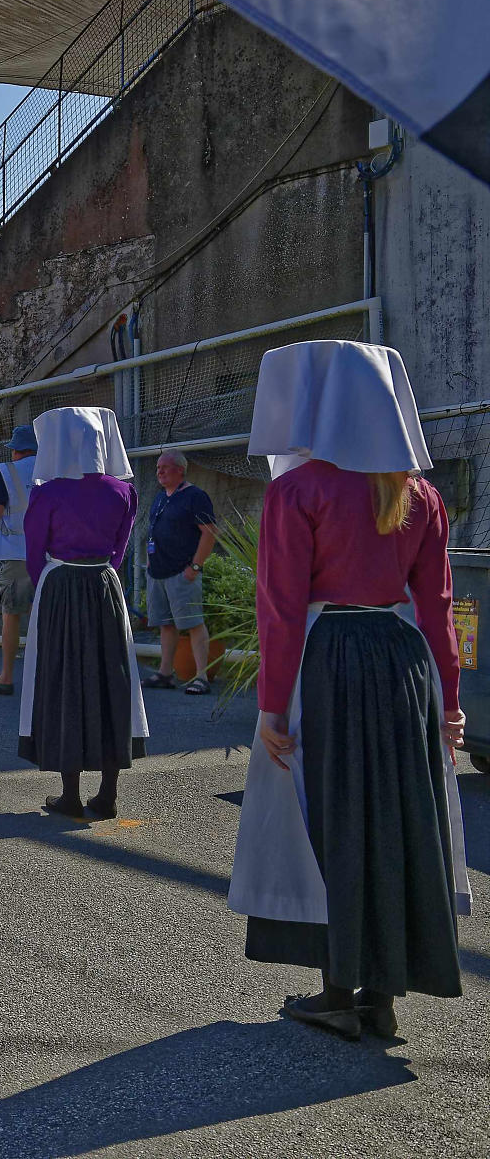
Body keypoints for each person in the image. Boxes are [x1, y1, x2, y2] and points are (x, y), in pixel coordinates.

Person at [231, 340, 470, 1041]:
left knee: (333, 811)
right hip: (403, 664)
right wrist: (449, 702)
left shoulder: (298, 491)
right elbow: (438, 605)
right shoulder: (421, 495)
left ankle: (337, 989)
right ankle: (383, 993)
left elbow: (279, 606)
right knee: (394, 816)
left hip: (328, 658)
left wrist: (272, 704)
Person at [18, 407, 148, 819]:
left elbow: (34, 553)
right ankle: (108, 794)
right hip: (105, 585)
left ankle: (70, 793)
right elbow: (120, 551)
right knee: (111, 679)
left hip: (60, 586)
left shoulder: (48, 493)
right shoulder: (124, 492)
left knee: (63, 680)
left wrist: (49, 591)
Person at [142, 449, 219, 694]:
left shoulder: (195, 496)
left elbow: (210, 532)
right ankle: (165, 673)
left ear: (181, 470)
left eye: (165, 467)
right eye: (158, 468)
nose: (160, 472)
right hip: (157, 573)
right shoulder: (160, 497)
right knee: (166, 624)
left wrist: (195, 566)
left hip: (182, 573)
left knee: (193, 623)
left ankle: (201, 677)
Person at [0, 425, 39, 695]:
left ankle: (6, 677)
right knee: (46, 617)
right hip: (49, 554)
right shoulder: (52, 472)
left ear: (15, 450)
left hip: (15, 554)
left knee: (11, 616)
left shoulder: (7, 471)